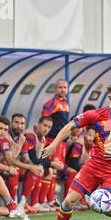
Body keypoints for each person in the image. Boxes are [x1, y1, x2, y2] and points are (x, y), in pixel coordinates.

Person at [39, 83, 111, 220]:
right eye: (110, 98)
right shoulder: (98, 114)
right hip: (93, 166)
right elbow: (71, 124)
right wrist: (54, 144)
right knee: (68, 201)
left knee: (106, 207)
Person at [18, 116, 63, 212]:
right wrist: (51, 163)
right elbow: (33, 157)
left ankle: (39, 202)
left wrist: (54, 164)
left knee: (48, 170)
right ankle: (22, 202)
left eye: (49, 127)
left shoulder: (43, 139)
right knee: (38, 169)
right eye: (44, 125)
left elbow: (41, 158)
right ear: (38, 124)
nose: (46, 129)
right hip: (18, 164)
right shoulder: (30, 135)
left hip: (27, 165)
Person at [0, 114, 44, 202]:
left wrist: (34, 167)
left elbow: (26, 158)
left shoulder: (22, 138)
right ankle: (13, 204)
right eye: (16, 122)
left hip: (10, 166)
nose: (19, 126)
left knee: (36, 171)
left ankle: (22, 204)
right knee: (14, 171)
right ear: (11, 123)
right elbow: (10, 160)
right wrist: (31, 167)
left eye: (22, 123)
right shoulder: (5, 136)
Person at [41, 79, 70, 207]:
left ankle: (51, 199)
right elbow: (45, 121)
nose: (62, 89)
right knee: (50, 169)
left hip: (61, 142)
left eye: (64, 87)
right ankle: (43, 200)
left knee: (56, 169)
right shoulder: (51, 103)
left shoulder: (66, 104)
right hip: (52, 140)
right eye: (60, 87)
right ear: (55, 88)